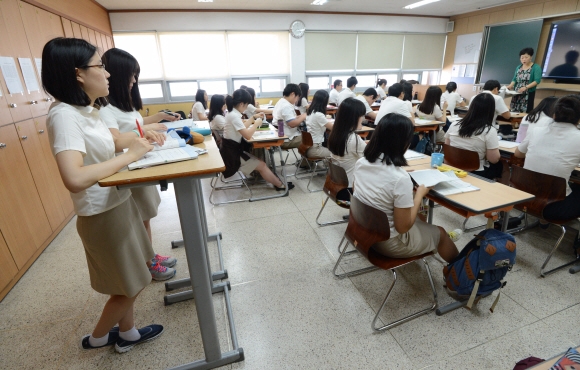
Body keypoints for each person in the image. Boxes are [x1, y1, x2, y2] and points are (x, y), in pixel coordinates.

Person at [43, 37, 164, 353]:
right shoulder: (64, 115)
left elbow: (106, 144)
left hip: (118, 202)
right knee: (133, 283)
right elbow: (74, 177)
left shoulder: (86, 110)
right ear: (79, 73)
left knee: (129, 278)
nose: (107, 73)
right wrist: (130, 155)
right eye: (100, 66)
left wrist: (136, 138)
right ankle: (97, 338)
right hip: (101, 213)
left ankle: (129, 334)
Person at [100, 48, 177, 281]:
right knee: (141, 216)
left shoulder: (123, 103)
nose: (134, 80)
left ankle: (150, 255)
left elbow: (134, 122)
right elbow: (115, 141)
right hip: (129, 166)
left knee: (146, 215)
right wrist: (144, 131)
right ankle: (147, 263)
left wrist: (156, 119)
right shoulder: (105, 108)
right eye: (131, 75)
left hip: (142, 161)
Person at [353, 113, 459, 261]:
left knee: (420, 217)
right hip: (388, 244)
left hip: (364, 231)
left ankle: (428, 237)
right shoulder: (399, 178)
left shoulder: (361, 163)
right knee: (440, 232)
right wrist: (419, 195)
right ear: (403, 143)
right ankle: (459, 273)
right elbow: (403, 228)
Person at [514, 95, 580, 221]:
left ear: (554, 114)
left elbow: (518, 154)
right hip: (554, 205)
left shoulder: (537, 131)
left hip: (522, 196)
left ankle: (541, 221)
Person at [222, 89, 294, 190]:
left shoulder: (232, 113)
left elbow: (241, 127)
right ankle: (280, 185)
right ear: (242, 104)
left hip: (232, 150)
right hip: (232, 154)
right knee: (262, 165)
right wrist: (256, 124)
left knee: (260, 162)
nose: (247, 108)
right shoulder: (233, 116)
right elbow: (247, 135)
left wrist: (253, 118)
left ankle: (278, 183)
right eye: (247, 105)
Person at [444, 93, 502, 180]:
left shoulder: (455, 124)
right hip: (476, 172)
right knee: (500, 166)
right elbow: (493, 159)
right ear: (491, 111)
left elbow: (447, 145)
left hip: (452, 166)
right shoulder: (489, 130)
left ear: (471, 107)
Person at [327, 97, 367, 188]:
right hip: (351, 188)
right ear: (354, 117)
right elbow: (371, 160)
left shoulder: (335, 134)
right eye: (361, 116)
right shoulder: (354, 139)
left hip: (337, 185)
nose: (363, 119)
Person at [506, 47, 542, 113]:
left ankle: (524, 123)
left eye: (526, 57)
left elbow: (537, 81)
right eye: (522, 58)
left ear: (531, 57)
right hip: (517, 93)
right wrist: (510, 85)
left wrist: (526, 87)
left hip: (528, 93)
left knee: (525, 113)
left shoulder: (536, 67)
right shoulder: (518, 67)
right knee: (514, 111)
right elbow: (515, 79)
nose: (524, 59)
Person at [272, 83, 306, 150]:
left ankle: (305, 159)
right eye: (297, 97)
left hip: (281, 135)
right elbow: (292, 124)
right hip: (287, 139)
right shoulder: (286, 106)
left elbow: (288, 118)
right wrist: (304, 115)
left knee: (308, 136)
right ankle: (307, 159)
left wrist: (299, 117)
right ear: (292, 94)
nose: (297, 100)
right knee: (312, 138)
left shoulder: (281, 101)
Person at [305, 90, 333, 158]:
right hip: (315, 149)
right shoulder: (319, 115)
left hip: (307, 147)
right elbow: (334, 128)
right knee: (338, 153)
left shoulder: (311, 112)